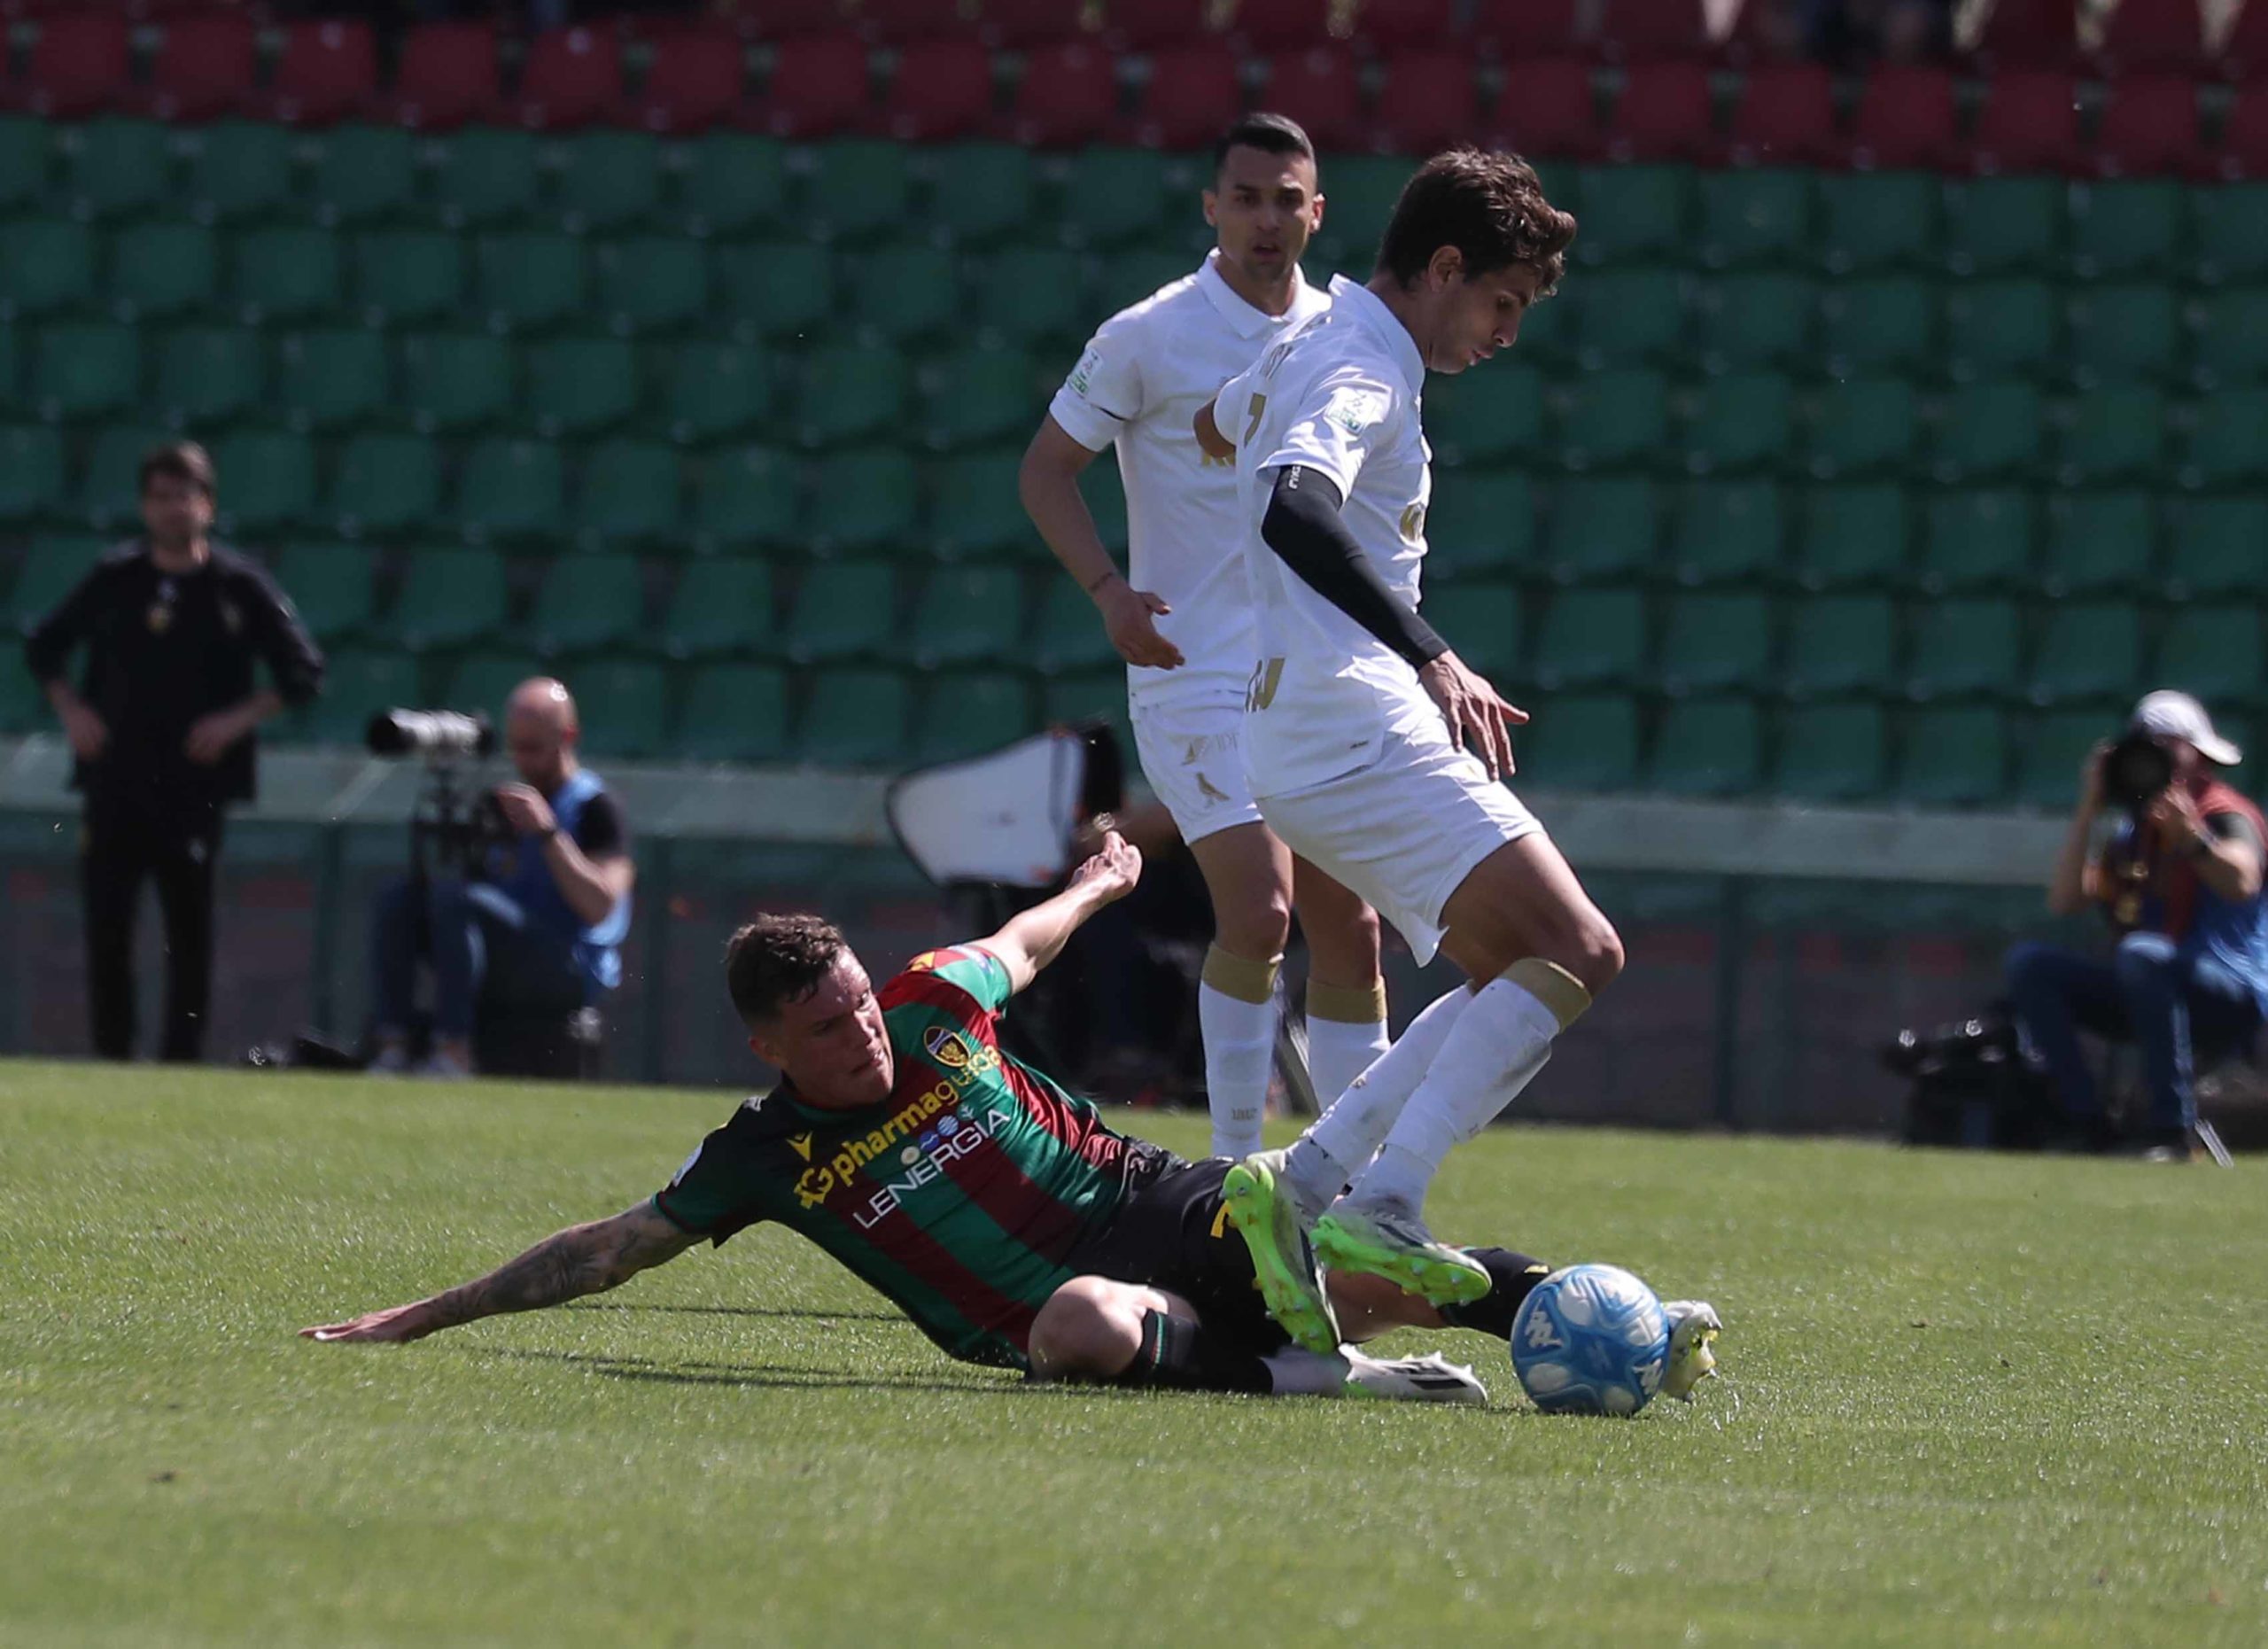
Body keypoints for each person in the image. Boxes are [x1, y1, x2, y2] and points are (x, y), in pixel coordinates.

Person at [301, 834, 1724, 1404]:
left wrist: (1101, 882)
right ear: (767, 1047)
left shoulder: (930, 1002)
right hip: (1059, 1312)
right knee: (1083, 1328)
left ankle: (1635, 1328)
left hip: (1170, 1204)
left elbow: (1022, 945)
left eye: (859, 1004)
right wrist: (425, 1316)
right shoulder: (762, 1158)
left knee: (1376, 1253)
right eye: (827, 1030)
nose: (863, 1032)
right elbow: (610, 1249)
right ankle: (1322, 1379)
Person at [1189, 148, 1658, 1353]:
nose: (1506, 333)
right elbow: (1294, 502)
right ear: (1444, 268)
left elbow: (1219, 423)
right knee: (1580, 947)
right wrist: (1434, 654)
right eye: (1501, 301)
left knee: (1515, 968)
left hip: (1293, 730)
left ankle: (1302, 1184)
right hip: (1354, 720)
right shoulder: (1362, 368)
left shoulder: (1316, 338)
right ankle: (1382, 1202)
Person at [1020, 113, 1393, 1161]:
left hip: (1314, 671)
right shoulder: (1148, 334)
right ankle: (1233, 1176)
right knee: (1262, 911)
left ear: (1317, 213)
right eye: (1246, 198)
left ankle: (1358, 1188)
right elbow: (1045, 469)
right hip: (1192, 666)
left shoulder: (1344, 333)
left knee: (1352, 926)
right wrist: (1108, 590)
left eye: (1287, 201)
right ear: (1211, 207)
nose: (1266, 219)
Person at [22, 440, 325, 1062]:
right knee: (108, 923)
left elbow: (303, 671)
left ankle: (180, 1059)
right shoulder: (116, 579)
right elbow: (44, 647)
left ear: (207, 504)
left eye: (184, 496)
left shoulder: (237, 586)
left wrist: (238, 718)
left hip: (193, 786)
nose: (172, 509)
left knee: (188, 929)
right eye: (160, 497)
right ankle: (112, 1057)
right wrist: (73, 709)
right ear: (144, 505)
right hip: (115, 778)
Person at [2004, 690, 2268, 1163]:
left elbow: (2243, 881)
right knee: (2032, 965)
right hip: (2148, 983)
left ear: (2199, 756)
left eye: (2168, 748)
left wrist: (2192, 839)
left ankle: (2171, 1131)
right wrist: (2090, 807)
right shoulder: (2133, 834)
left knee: (2142, 953)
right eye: (2146, 750)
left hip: (2228, 994)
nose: (2155, 762)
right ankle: (2086, 1121)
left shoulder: (2225, 814)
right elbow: (2066, 900)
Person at [368, 676, 633, 1077]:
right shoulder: (504, 806)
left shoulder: (594, 807)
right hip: (506, 949)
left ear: (568, 737)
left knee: (457, 902)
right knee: (401, 898)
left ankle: (454, 1050)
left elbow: (601, 906)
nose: (523, 760)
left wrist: (549, 834)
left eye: (534, 748)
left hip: (569, 963)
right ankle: (393, 1045)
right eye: (516, 747)